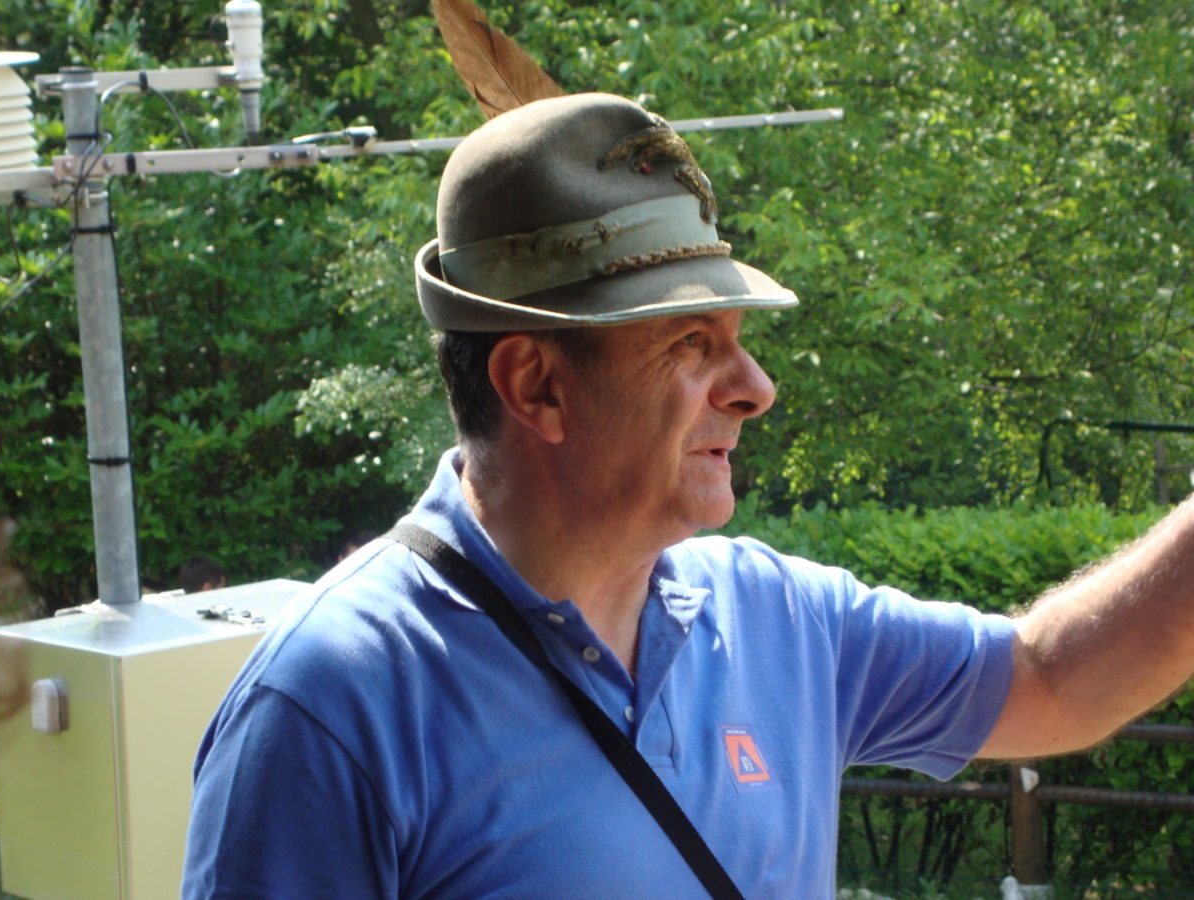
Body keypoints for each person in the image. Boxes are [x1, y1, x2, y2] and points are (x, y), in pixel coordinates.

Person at [181, 94, 1194, 898]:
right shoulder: (329, 707)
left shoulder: (779, 619)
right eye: (691, 344)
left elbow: (1054, 679)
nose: (756, 388)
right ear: (536, 385)